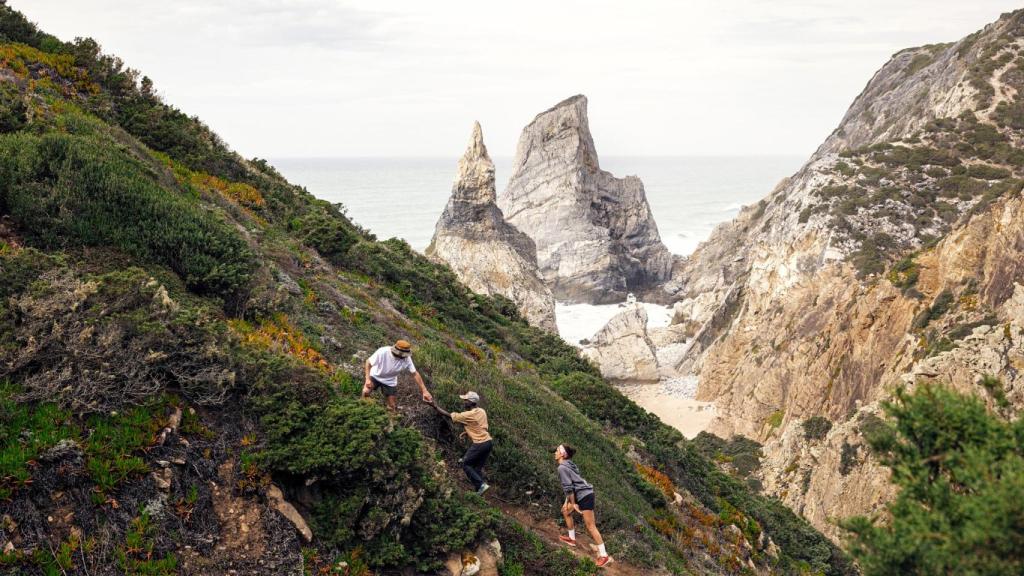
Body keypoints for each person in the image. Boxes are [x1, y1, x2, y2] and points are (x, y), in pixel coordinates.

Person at [555, 444, 613, 568]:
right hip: (580, 495)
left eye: (557, 451)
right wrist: (568, 503)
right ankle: (572, 539)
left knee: (591, 526)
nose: (555, 453)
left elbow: (569, 488)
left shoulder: (562, 468)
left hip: (585, 496)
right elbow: (570, 487)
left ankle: (604, 556)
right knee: (565, 511)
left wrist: (574, 503)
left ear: (562, 454)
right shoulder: (569, 465)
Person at [426, 391, 492, 495]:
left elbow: (449, 415)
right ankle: (479, 492)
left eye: (466, 400)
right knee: (476, 468)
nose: (464, 402)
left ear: (471, 402)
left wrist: (435, 406)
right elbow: (481, 426)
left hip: (480, 443)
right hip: (488, 442)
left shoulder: (468, 414)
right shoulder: (482, 411)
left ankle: (481, 485)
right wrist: (467, 432)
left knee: (465, 463)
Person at [362, 339, 432, 410]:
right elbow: (368, 362)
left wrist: (424, 391)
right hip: (375, 376)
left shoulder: (407, 358)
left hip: (390, 381)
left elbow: (415, 373)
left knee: (392, 406)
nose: (403, 357)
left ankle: (390, 418)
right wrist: (367, 379)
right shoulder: (383, 351)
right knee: (365, 392)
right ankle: (362, 409)